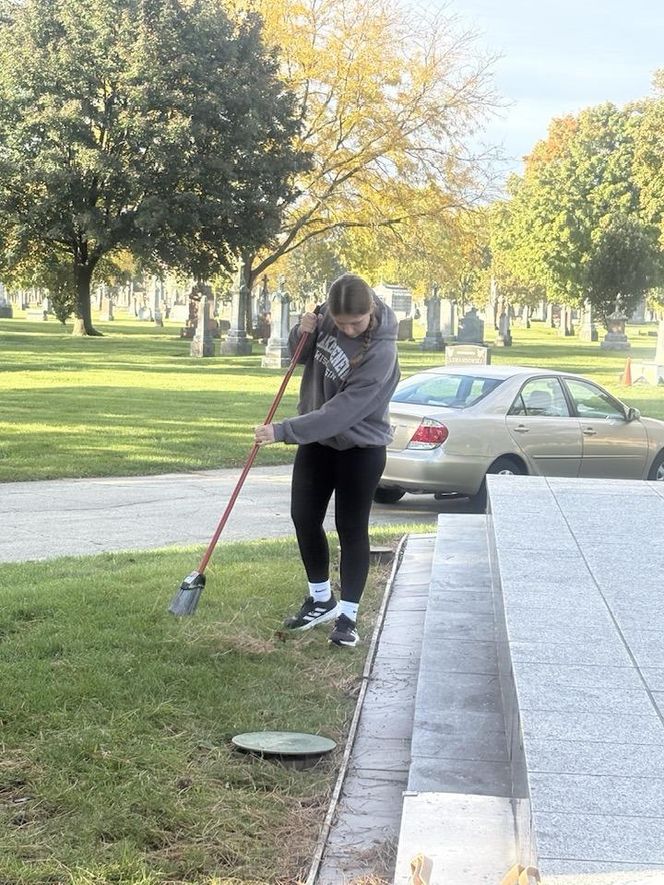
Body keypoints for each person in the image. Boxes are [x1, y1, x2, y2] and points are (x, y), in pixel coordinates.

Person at [254, 273, 400, 648]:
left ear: (371, 311)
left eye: (356, 322)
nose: (348, 329)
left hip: (361, 448)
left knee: (351, 527)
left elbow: (341, 412)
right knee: (303, 516)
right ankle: (320, 600)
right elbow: (300, 357)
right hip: (319, 441)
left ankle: (348, 617)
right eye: (341, 323)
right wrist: (300, 332)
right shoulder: (325, 317)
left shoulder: (382, 352)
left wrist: (285, 430)